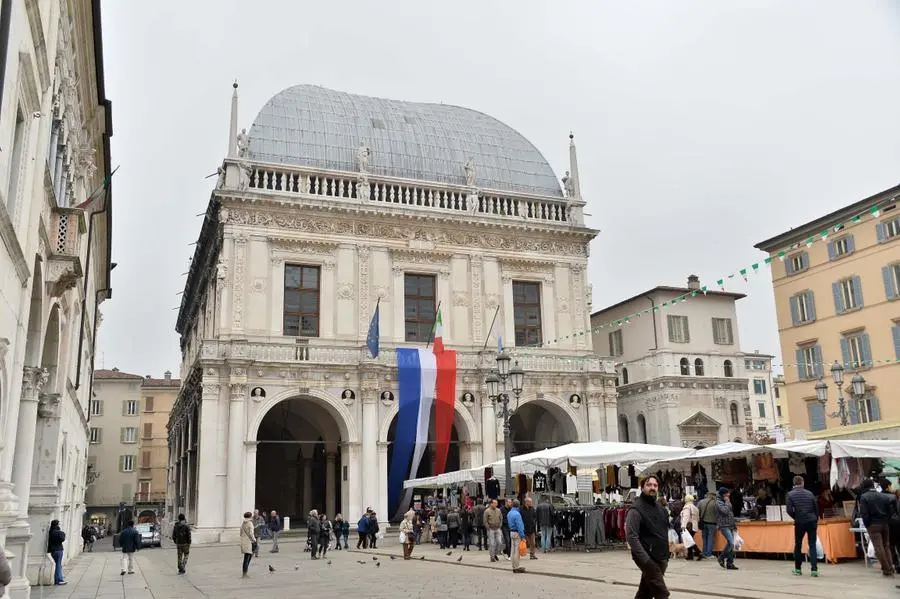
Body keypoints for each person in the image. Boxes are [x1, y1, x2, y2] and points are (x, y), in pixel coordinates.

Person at [625, 475, 670, 599]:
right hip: (646, 557)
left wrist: (666, 553)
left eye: (655, 485)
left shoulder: (660, 509)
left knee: (645, 593)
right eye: (649, 485)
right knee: (662, 592)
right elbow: (631, 536)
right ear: (642, 487)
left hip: (661, 557)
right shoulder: (636, 509)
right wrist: (645, 560)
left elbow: (663, 531)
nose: (652, 488)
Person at [858, 478, 898, 577]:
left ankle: (887, 569)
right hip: (884, 523)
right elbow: (890, 510)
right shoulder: (883, 496)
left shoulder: (864, 497)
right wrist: (887, 519)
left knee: (878, 547)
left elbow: (864, 514)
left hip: (873, 525)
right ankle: (891, 567)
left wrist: (867, 524)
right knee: (886, 546)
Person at [786, 475, 818, 577]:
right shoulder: (810, 493)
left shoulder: (790, 495)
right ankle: (814, 570)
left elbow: (789, 510)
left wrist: (796, 517)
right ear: (802, 483)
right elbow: (815, 507)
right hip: (812, 521)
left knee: (798, 544)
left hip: (800, 522)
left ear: (794, 483)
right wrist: (815, 518)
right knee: (812, 544)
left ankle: (798, 569)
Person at [716, 487, 738, 571]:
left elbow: (730, 513)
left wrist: (734, 525)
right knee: (731, 543)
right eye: (727, 494)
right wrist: (727, 502)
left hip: (730, 524)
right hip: (724, 525)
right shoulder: (718, 502)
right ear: (723, 494)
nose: (728, 495)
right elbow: (724, 512)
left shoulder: (725, 501)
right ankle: (721, 557)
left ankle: (730, 562)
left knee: (731, 544)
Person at [680, 494, 702, 561]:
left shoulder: (687, 507)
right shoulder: (695, 507)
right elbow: (698, 518)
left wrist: (683, 526)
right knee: (689, 540)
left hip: (688, 525)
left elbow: (686, 517)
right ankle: (690, 556)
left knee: (689, 541)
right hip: (694, 526)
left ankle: (699, 552)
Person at [506, 499, 526, 574]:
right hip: (517, 533)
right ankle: (516, 567)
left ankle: (513, 565)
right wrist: (523, 536)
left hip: (511, 532)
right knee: (517, 551)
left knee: (513, 550)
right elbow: (520, 526)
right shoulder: (517, 514)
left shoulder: (509, 513)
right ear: (518, 505)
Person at [697, 491, 718, 558]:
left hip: (703, 523)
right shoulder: (715, 503)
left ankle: (704, 553)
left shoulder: (701, 502)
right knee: (710, 538)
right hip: (712, 523)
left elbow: (697, 512)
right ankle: (708, 554)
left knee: (704, 538)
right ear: (713, 495)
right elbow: (718, 513)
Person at [47, 519, 67, 585]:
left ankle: (57, 579)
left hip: (53, 550)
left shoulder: (51, 531)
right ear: (57, 525)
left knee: (58, 564)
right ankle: (59, 580)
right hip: (58, 550)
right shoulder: (58, 532)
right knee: (58, 565)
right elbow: (62, 538)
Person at [484, 499, 503, 563]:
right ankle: (492, 557)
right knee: (492, 543)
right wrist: (488, 527)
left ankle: (495, 554)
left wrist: (500, 525)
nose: (496, 504)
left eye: (496, 503)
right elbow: (485, 520)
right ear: (491, 504)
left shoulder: (498, 510)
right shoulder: (487, 511)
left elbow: (501, 518)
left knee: (499, 542)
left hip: (498, 528)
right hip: (491, 529)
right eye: (495, 503)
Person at [240, 511, 257, 578]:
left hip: (244, 541)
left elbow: (241, 532)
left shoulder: (243, 523)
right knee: (248, 558)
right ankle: (245, 574)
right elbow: (251, 533)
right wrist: (254, 540)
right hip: (250, 542)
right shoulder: (250, 523)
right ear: (250, 516)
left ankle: (244, 573)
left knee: (245, 558)